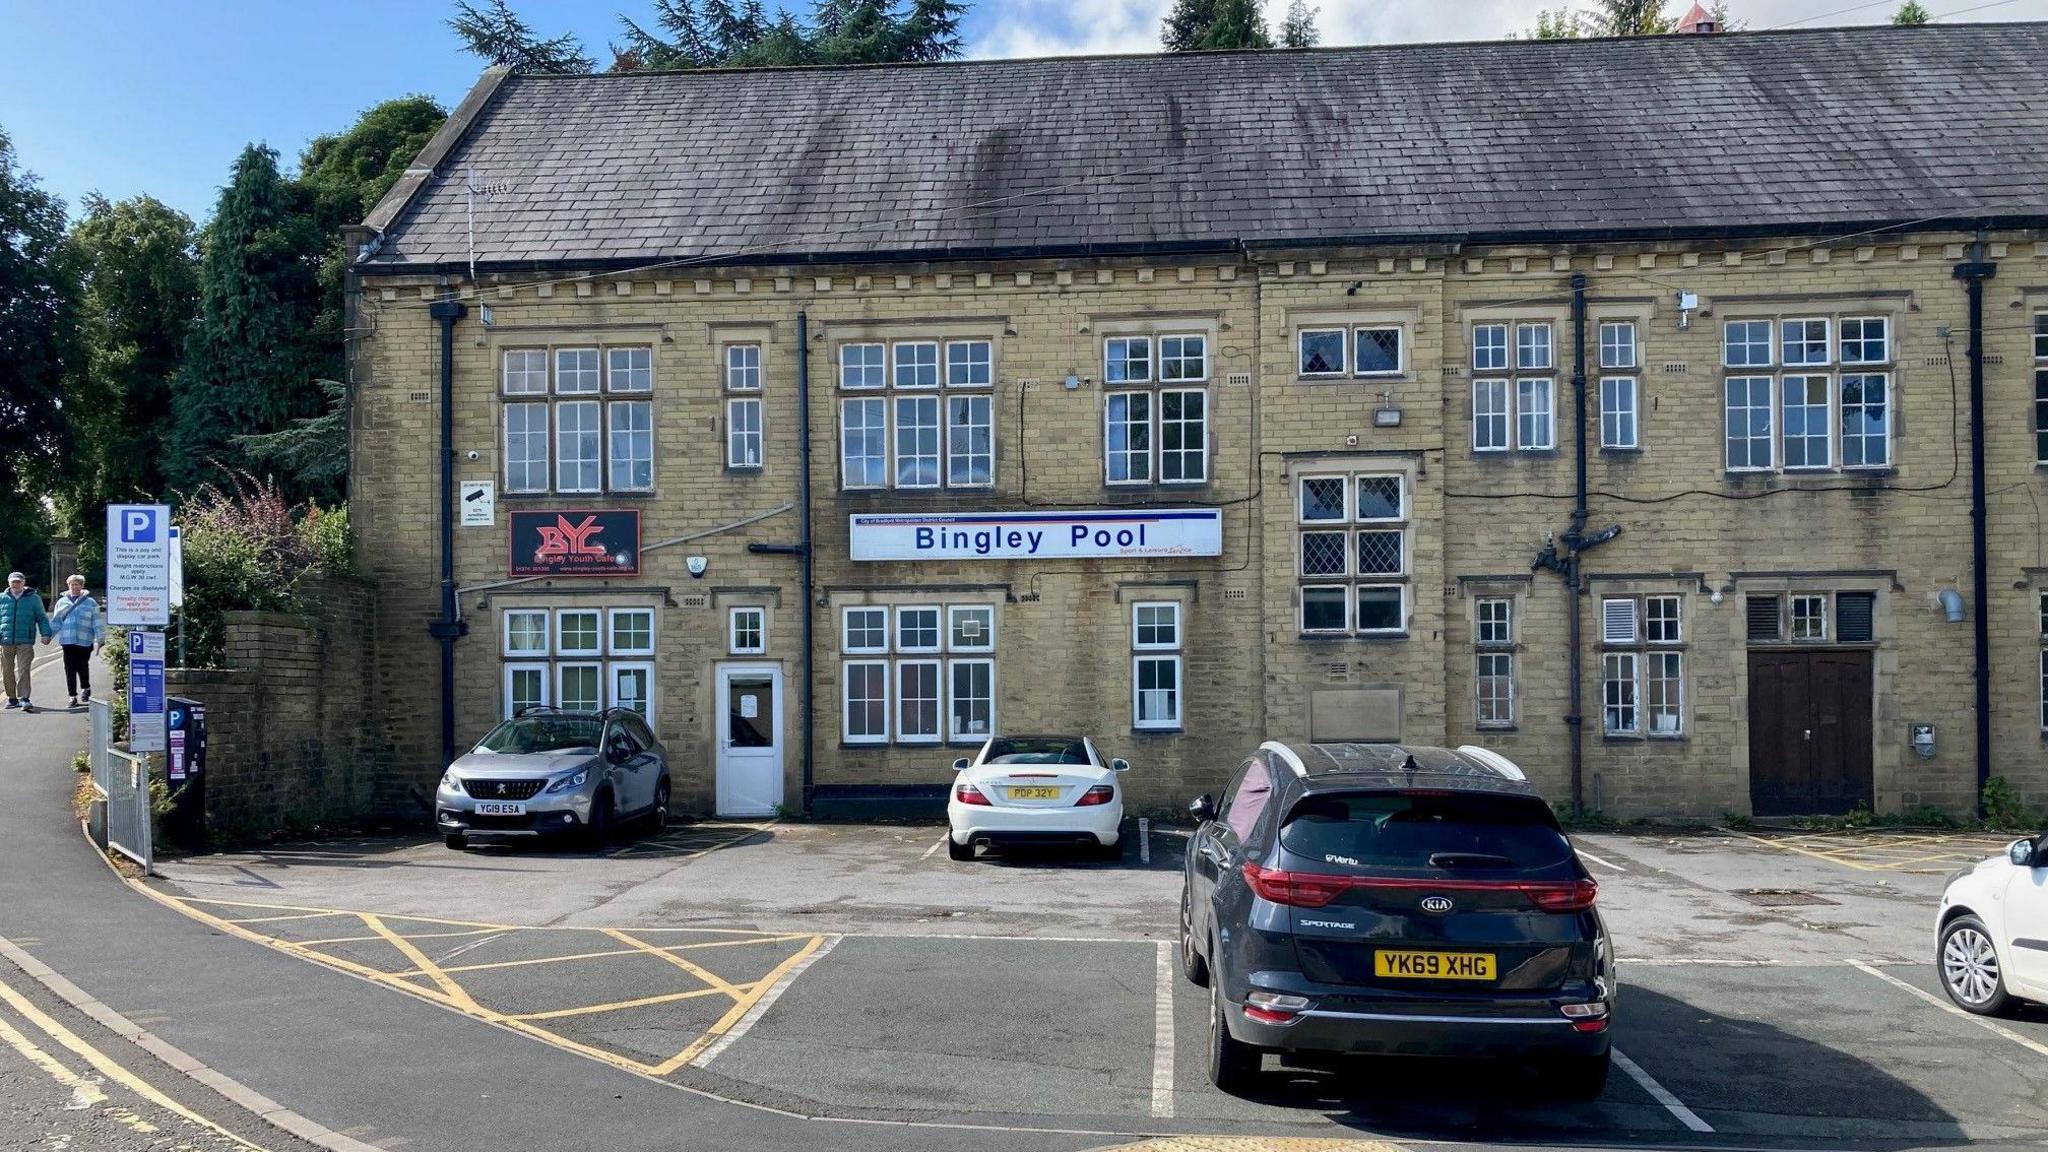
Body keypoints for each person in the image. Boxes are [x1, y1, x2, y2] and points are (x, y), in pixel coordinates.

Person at [0, 571, 55, 713]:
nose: (16, 584)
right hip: (5, 640)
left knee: (24, 669)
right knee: (6, 670)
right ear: (9, 583)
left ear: (23, 583)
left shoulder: (33, 598)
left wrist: (46, 634)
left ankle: (24, 698)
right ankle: (11, 698)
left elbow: (42, 618)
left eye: (18, 581)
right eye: (13, 582)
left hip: (26, 640)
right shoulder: (2, 598)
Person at [50, 574, 105, 708]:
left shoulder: (90, 602)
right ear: (68, 586)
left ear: (82, 586)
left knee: (82, 666)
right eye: (72, 584)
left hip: (85, 640)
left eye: (77, 584)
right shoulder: (61, 602)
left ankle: (85, 688)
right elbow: (56, 621)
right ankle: (72, 696)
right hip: (67, 640)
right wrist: (48, 636)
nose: (75, 587)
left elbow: (97, 622)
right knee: (69, 668)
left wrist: (100, 638)